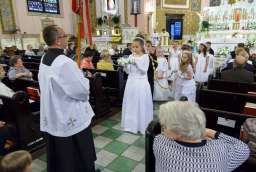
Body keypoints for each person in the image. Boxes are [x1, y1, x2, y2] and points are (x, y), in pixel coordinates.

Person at [39, 25, 97, 172]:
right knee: (78, 157)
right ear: (58, 40)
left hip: (55, 113)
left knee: (63, 157)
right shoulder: (64, 62)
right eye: (64, 36)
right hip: (69, 114)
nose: (66, 38)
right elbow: (81, 91)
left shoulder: (45, 58)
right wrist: (84, 80)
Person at [154, 101, 250, 172]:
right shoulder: (220, 150)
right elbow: (244, 148)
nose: (163, 129)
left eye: (164, 126)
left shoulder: (160, 142)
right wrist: (210, 132)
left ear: (177, 133)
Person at [121, 37, 153, 134]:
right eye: (133, 47)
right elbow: (128, 71)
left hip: (141, 83)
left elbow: (144, 70)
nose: (134, 49)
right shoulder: (131, 56)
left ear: (142, 47)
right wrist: (125, 64)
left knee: (140, 103)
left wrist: (136, 62)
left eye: (136, 47)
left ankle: (140, 125)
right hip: (131, 82)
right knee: (131, 103)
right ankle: (130, 125)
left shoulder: (145, 57)